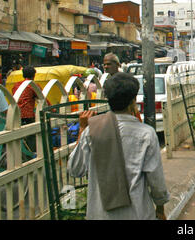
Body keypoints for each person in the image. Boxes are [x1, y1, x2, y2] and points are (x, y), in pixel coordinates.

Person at [67, 72, 170, 220]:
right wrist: (160, 209)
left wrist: (82, 130)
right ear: (133, 100)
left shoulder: (93, 130)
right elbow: (156, 181)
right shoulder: (146, 134)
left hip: (99, 214)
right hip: (137, 213)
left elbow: (75, 169)